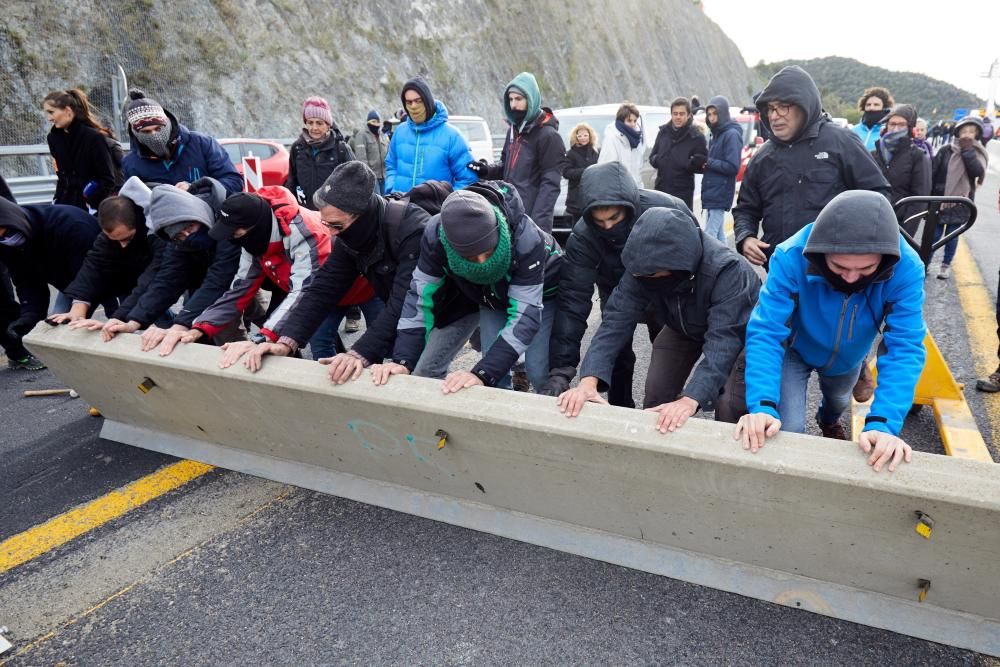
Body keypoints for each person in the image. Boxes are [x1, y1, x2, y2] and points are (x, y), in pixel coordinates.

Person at [735, 191, 926, 474]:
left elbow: (905, 346)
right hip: (796, 348)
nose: (850, 277)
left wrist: (884, 423)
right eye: (839, 266)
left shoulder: (907, 267)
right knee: (786, 430)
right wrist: (762, 405)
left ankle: (828, 419)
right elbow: (765, 330)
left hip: (848, 355)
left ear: (884, 259)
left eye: (866, 269)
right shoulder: (790, 256)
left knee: (837, 402)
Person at [556, 205, 760, 432]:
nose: (641, 279)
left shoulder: (729, 270)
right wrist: (588, 381)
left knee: (730, 405)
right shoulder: (642, 267)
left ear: (677, 264)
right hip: (682, 328)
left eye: (649, 275)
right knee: (657, 395)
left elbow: (724, 341)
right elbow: (615, 321)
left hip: (740, 334)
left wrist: (691, 399)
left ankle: (727, 460)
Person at [238, 162, 439, 381]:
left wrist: (359, 353)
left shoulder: (413, 230)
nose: (330, 233)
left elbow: (404, 300)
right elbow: (323, 289)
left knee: (423, 371)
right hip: (406, 303)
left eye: (336, 226)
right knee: (396, 365)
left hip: (448, 307)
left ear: (361, 215)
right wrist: (286, 340)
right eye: (325, 223)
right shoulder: (347, 234)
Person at [370, 182, 562, 393]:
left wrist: (482, 373)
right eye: (470, 257)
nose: (481, 263)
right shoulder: (435, 237)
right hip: (490, 297)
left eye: (488, 252)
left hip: (542, 292)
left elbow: (525, 316)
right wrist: (403, 360)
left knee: (539, 370)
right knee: (492, 371)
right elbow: (419, 299)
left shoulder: (527, 240)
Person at [542, 161, 688, 407]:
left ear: (629, 206)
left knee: (664, 347)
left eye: (614, 217)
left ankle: (666, 404)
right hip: (614, 286)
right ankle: (620, 409)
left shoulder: (669, 210)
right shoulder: (584, 237)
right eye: (599, 221)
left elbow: (695, 261)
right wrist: (561, 370)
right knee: (617, 352)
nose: (608, 226)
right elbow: (572, 302)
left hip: (665, 286)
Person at [178, 187, 374, 364]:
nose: (233, 239)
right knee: (321, 346)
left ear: (255, 226)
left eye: (235, 233)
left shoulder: (304, 231)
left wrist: (263, 337)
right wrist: (200, 326)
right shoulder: (252, 240)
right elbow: (240, 288)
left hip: (364, 286)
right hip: (325, 297)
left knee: (377, 347)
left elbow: (303, 290)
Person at [733, 66, 891, 269]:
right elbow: (746, 208)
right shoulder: (762, 157)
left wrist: (856, 249)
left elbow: (879, 197)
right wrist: (745, 237)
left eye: (783, 106)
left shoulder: (841, 142)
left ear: (804, 105)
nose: (774, 115)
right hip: (780, 271)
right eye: (770, 108)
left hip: (835, 274)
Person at [70, 178, 243, 350]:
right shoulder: (176, 238)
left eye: (190, 229)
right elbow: (166, 280)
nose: (186, 236)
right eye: (180, 236)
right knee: (204, 329)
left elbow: (219, 280)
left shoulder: (227, 221)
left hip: (244, 275)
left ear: (196, 214)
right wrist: (129, 321)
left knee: (237, 321)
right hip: (207, 277)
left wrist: (179, 325)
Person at [0, 197, 102, 369]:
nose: (5, 239)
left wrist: (78, 310)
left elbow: (90, 278)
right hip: (70, 283)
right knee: (56, 332)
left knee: (127, 320)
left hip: (107, 275)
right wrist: (29, 316)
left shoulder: (71, 225)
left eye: (4, 232)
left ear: (13, 221)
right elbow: (27, 282)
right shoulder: (7, 245)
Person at [50, 178, 167, 325]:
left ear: (138, 222)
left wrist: (117, 318)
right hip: (130, 279)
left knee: (156, 317)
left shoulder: (158, 229)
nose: (122, 245)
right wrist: (79, 306)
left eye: (127, 238)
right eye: (115, 240)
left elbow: (153, 278)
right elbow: (94, 266)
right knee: (128, 316)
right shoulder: (107, 236)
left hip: (159, 277)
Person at [467, 72, 565, 233]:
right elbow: (505, 166)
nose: (513, 105)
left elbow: (550, 186)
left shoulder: (548, 136)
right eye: (510, 100)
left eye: (519, 99)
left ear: (531, 99)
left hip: (531, 220)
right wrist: (486, 170)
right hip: (509, 212)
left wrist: (536, 226)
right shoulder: (513, 132)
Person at [121, 89, 242, 195]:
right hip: (162, 219)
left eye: (158, 128)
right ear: (135, 134)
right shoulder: (131, 164)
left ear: (168, 122)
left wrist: (196, 188)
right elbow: (133, 203)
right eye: (146, 132)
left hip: (209, 217)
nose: (155, 136)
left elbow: (234, 182)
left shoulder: (201, 143)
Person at [383, 77, 477, 194]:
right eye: (409, 102)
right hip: (400, 207)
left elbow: (468, 179)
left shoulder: (452, 136)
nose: (413, 106)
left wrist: (446, 203)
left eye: (418, 101)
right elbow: (391, 165)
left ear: (427, 101)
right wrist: (391, 190)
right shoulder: (399, 132)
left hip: (435, 211)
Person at [929, 115, 989, 280]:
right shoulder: (945, 150)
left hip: (961, 201)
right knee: (933, 235)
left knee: (952, 236)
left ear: (976, 134)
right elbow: (933, 173)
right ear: (958, 132)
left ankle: (945, 266)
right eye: (964, 131)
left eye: (971, 132)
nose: (967, 135)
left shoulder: (977, 152)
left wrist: (967, 151)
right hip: (939, 200)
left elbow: (977, 172)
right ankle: (924, 263)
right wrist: (928, 198)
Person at [42, 89, 118, 211]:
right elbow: (62, 176)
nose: (49, 118)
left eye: (51, 112)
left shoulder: (94, 137)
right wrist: (57, 201)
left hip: (91, 207)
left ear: (67, 110)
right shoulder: (53, 138)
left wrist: (92, 201)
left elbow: (107, 179)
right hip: (64, 204)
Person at [286, 97, 355, 209]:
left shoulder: (341, 149)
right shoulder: (297, 148)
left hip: (335, 216)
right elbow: (292, 183)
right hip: (307, 214)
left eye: (319, 123)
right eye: (310, 122)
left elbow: (355, 181)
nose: (314, 128)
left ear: (328, 124)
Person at [872, 104, 931, 230]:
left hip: (899, 226)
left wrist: (906, 233)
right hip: (872, 220)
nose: (895, 128)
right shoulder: (874, 154)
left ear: (910, 128)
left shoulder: (918, 157)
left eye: (901, 125)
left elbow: (919, 200)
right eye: (892, 124)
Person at [648, 98, 707, 209]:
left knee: (680, 223)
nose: (678, 117)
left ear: (689, 115)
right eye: (675, 114)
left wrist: (687, 163)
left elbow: (702, 160)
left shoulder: (696, 136)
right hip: (662, 189)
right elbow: (652, 156)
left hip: (683, 192)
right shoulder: (663, 132)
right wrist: (658, 160)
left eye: (681, 114)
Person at [699, 96, 743, 243]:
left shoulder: (731, 134)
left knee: (710, 236)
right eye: (709, 114)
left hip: (720, 192)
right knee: (718, 236)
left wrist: (709, 162)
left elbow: (732, 166)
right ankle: (726, 264)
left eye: (715, 114)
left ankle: (708, 265)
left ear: (723, 113)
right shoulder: (716, 133)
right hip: (712, 191)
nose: (711, 118)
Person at [599, 103, 647, 188]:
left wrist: (639, 190)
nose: (633, 124)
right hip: (616, 192)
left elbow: (638, 171)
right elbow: (607, 169)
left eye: (635, 121)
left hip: (634, 190)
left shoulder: (636, 139)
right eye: (629, 121)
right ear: (621, 121)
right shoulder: (612, 138)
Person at [563, 123, 599, 220]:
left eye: (585, 135)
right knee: (577, 227)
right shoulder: (570, 153)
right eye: (579, 136)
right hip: (576, 198)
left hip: (593, 196)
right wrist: (586, 171)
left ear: (590, 136)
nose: (583, 138)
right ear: (576, 137)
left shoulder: (595, 152)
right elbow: (566, 172)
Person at [349, 109, 389, 194]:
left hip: (384, 175)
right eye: (373, 121)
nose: (375, 124)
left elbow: (388, 153)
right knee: (376, 201)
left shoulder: (382, 135)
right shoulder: (362, 135)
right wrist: (367, 176)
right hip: (372, 176)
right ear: (368, 122)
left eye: (377, 121)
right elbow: (361, 158)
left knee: (386, 201)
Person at [852, 86, 894, 151]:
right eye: (868, 105)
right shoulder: (853, 131)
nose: (871, 108)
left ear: (885, 107)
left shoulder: (889, 131)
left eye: (876, 105)